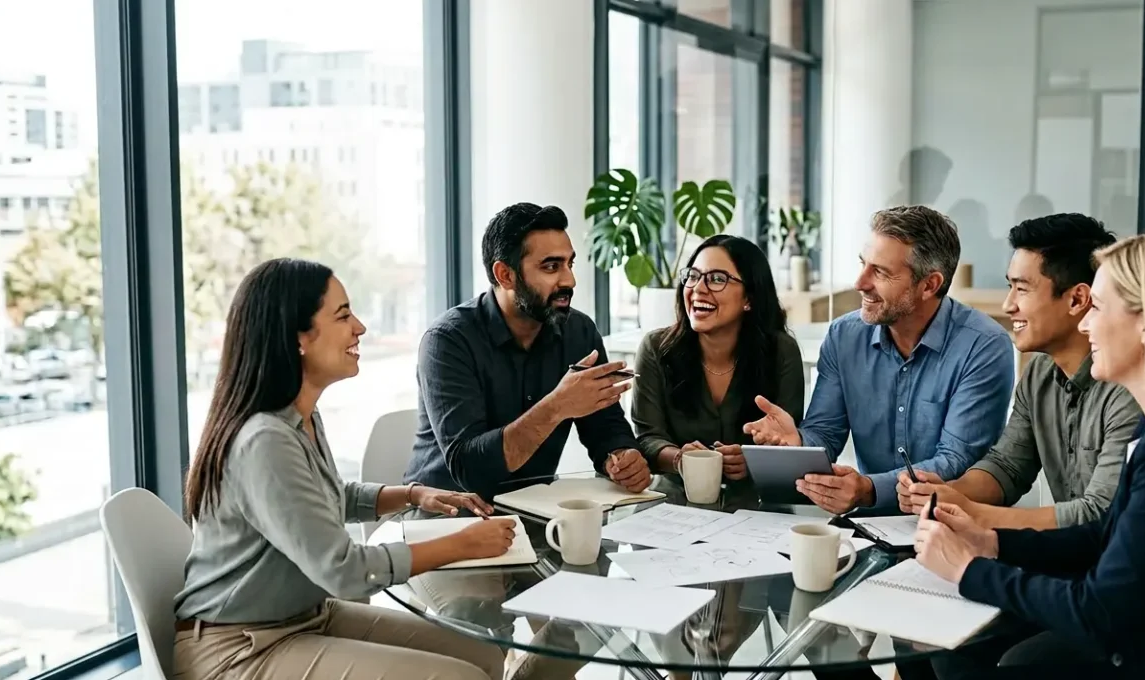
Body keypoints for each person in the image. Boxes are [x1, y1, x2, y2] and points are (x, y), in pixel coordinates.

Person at [915, 231, 1145, 678]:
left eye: (1098, 309)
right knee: (964, 643)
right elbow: (1105, 536)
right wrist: (992, 543)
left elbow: (1099, 612)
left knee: (1016, 662)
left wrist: (968, 569)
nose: (1085, 325)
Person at [173, 258, 513, 680]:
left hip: (305, 619)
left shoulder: (301, 419)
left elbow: (327, 496)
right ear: (296, 337)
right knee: (461, 677)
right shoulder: (264, 439)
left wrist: (412, 494)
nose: (360, 328)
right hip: (239, 649)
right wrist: (464, 544)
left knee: (483, 655)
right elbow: (345, 572)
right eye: (343, 315)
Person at [744, 205, 1015, 514]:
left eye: (881, 272)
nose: (860, 282)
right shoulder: (844, 336)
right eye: (863, 264)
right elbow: (825, 432)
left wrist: (870, 490)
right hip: (867, 526)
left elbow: (956, 461)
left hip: (947, 522)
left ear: (929, 285)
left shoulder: (984, 346)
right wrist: (797, 442)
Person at [898, 214, 1141, 530]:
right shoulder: (1039, 372)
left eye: (1022, 289)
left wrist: (972, 512)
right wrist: (946, 494)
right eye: (1009, 286)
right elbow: (1007, 466)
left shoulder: (1128, 387)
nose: (1008, 305)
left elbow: (1099, 515)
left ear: (1077, 299)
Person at [405, 202, 650, 499]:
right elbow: (470, 468)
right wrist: (556, 406)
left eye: (569, 264)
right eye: (551, 266)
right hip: (446, 514)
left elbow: (606, 426)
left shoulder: (579, 332)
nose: (569, 280)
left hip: (535, 507)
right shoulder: (447, 340)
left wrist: (622, 457)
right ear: (505, 275)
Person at [631, 234, 805, 481]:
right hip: (677, 502)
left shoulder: (781, 352)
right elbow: (647, 438)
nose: (698, 289)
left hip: (758, 506)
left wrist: (753, 461)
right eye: (693, 276)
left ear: (749, 298)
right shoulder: (656, 349)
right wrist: (680, 458)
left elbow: (790, 439)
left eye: (716, 279)